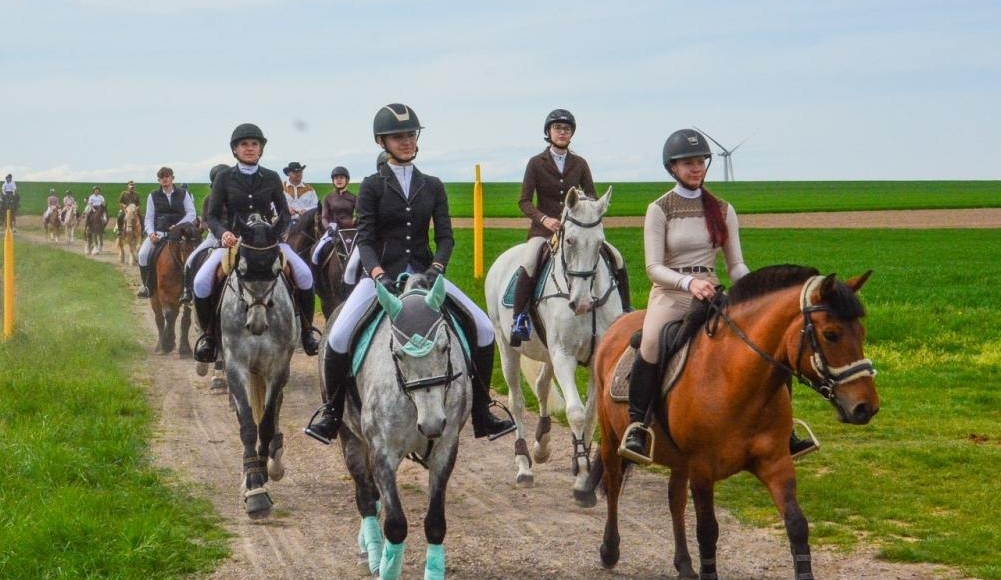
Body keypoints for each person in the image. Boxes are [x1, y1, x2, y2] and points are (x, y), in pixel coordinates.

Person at [305, 103, 516, 444]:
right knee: (339, 335)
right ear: (382, 142)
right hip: (381, 278)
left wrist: (436, 268)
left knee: (483, 327)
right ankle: (332, 413)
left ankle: (482, 410)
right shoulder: (372, 186)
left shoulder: (432, 185)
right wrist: (377, 273)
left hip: (426, 276)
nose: (406, 141)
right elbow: (365, 239)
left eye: (410, 135)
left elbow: (445, 238)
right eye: (397, 136)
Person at [617, 130, 817, 465]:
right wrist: (688, 283)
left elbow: (735, 265)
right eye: (688, 163)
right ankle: (638, 425)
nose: (696, 168)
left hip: (712, 292)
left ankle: (784, 429)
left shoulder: (723, 209)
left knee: (767, 342)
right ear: (672, 168)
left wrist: (757, 293)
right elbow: (653, 268)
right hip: (671, 294)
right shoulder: (659, 209)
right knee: (651, 342)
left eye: (700, 162)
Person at [188, 125, 320, 357]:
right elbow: (213, 216)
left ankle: (307, 332)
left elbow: (284, 213)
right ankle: (209, 336)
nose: (249, 148)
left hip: (268, 242)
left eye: (254, 144)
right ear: (235, 150)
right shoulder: (224, 178)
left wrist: (277, 232)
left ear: (261, 149)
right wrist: (223, 233)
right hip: (234, 242)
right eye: (244, 144)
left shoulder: (271, 177)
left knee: (305, 276)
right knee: (200, 282)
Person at [510, 109, 632, 345]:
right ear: (548, 132)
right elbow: (524, 201)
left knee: (616, 257)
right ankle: (519, 319)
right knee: (530, 262)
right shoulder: (535, 163)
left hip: (577, 229)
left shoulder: (580, 163)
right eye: (557, 128)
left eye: (566, 129)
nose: (562, 132)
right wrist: (544, 219)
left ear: (571, 134)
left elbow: (592, 196)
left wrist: (588, 210)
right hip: (545, 231)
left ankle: (626, 309)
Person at [136, 167, 196, 299]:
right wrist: (151, 234)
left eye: (167, 176)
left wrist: (178, 226)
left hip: (180, 233)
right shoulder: (153, 196)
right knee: (142, 254)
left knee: (193, 254)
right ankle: (146, 285)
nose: (165, 179)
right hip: (159, 233)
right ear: (159, 181)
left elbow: (191, 213)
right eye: (162, 177)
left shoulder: (183, 194)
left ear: (172, 178)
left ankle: (191, 288)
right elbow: (149, 217)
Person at [310, 166, 357, 266]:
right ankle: (315, 274)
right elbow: (324, 217)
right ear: (333, 181)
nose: (339, 180)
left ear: (347, 180)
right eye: (336, 178)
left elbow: (360, 214)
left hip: (350, 229)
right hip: (333, 228)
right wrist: (329, 228)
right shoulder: (328, 198)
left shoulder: (354, 198)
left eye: (341, 177)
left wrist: (355, 222)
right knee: (317, 250)